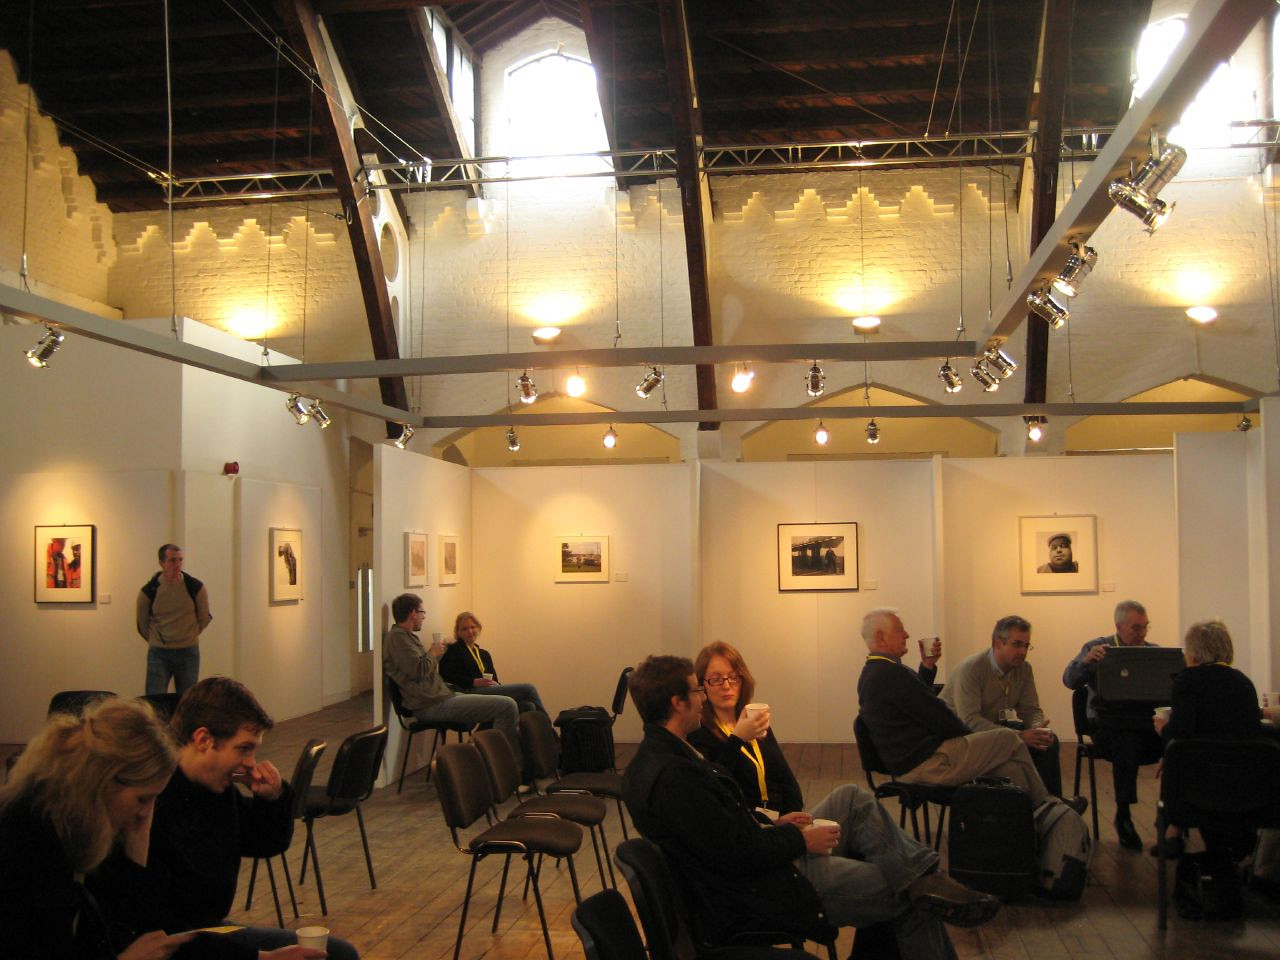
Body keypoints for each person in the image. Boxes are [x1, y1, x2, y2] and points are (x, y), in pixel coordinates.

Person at [622, 655, 999, 960]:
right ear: (677, 703)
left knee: (851, 798)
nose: (704, 697)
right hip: (764, 886)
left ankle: (924, 874)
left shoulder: (665, 756)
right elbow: (737, 854)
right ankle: (923, 882)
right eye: (697, 689)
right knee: (911, 893)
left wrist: (770, 821)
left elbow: (725, 829)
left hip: (763, 855)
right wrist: (799, 840)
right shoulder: (675, 776)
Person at [149, 677, 356, 960]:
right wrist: (260, 958)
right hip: (181, 943)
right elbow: (168, 929)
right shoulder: (154, 801)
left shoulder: (217, 788)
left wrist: (273, 798)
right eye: (244, 748)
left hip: (209, 932)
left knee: (338, 953)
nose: (250, 762)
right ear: (203, 740)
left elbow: (264, 843)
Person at [0, 696, 198, 959]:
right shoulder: (23, 837)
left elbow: (130, 923)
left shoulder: (87, 823)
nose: (146, 813)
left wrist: (138, 839)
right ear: (104, 780)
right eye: (143, 799)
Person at [858, 608, 1049, 808]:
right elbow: (938, 717)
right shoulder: (891, 674)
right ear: (881, 637)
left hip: (915, 762)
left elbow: (916, 703)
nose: (906, 635)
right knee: (1007, 737)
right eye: (900, 630)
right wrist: (973, 740)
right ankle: (1047, 806)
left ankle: (1033, 820)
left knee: (1010, 769)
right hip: (927, 763)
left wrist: (927, 666)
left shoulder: (877, 672)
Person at [939, 615, 1085, 808]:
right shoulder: (972, 669)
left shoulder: (1023, 669)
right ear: (997, 643)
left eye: (1026, 645)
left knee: (1047, 742)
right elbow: (970, 721)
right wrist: (1018, 736)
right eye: (1017, 644)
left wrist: (1038, 728)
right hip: (959, 739)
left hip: (993, 730)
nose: (1023, 652)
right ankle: (1041, 805)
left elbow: (1030, 709)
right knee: (1018, 749)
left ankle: (1052, 805)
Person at [1151, 620, 1264, 859]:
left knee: (1176, 759)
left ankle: (1173, 833)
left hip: (1198, 784)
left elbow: (1180, 733)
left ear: (1193, 653)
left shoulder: (1186, 682)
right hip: (1243, 785)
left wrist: (1163, 729)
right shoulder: (1243, 683)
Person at [1062, 599, 1164, 850]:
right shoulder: (1097, 648)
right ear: (1118, 626)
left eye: (1145, 626)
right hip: (1107, 726)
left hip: (1144, 724)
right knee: (1125, 738)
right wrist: (1086, 662)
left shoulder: (1153, 653)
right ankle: (1123, 814)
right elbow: (1069, 680)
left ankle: (1171, 820)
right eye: (1136, 628)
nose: (1143, 633)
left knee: (1177, 740)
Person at [383, 594, 522, 767]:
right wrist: (432, 652)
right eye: (422, 612)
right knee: (507, 705)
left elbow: (422, 668)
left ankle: (482, 757)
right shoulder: (398, 638)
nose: (423, 617)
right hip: (431, 705)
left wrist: (439, 652)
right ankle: (504, 766)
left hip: (443, 696)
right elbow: (419, 671)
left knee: (512, 703)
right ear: (413, 613)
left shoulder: (407, 637)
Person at [686, 641, 803, 815]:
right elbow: (713, 787)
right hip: (746, 822)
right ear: (702, 686)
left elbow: (786, 780)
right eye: (716, 680)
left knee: (844, 796)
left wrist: (793, 818)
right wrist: (737, 739)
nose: (727, 686)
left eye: (733, 677)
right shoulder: (699, 733)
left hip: (782, 819)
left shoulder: (754, 720)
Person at [137, 544, 212, 696]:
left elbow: (204, 617)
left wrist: (190, 634)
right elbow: (142, 624)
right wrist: (157, 639)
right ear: (162, 563)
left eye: (180, 560)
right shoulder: (149, 591)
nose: (177, 564)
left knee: (188, 698)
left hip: (188, 651)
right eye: (172, 560)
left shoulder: (195, 587)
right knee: (155, 698)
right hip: (159, 652)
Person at [438, 611, 547, 714]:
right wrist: (472, 682)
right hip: (468, 691)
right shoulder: (453, 649)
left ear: (478, 628)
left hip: (487, 689)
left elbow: (494, 678)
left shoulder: (484, 654)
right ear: (458, 632)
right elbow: (445, 675)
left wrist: (496, 684)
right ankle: (547, 725)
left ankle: (488, 728)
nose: (470, 631)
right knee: (529, 688)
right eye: (465, 629)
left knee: (527, 706)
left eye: (472, 627)